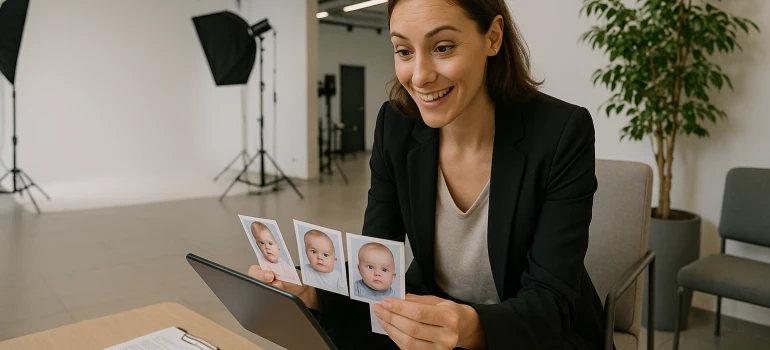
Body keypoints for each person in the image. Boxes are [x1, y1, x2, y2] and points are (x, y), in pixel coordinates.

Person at [249, 0, 607, 348]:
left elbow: (550, 300)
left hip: (528, 331)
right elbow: (375, 254)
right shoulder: (396, 126)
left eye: (443, 47)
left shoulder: (561, 132)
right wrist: (312, 289)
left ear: (493, 37)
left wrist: (472, 327)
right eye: (403, 51)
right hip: (431, 317)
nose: (419, 76)